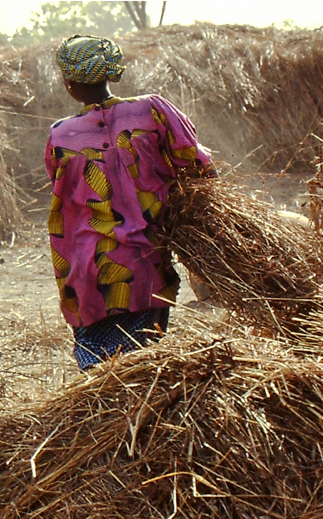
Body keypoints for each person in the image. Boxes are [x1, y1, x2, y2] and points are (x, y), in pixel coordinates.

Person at [44, 35, 213, 370]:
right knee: (142, 367)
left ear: (68, 82)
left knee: (100, 374)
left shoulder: (61, 135)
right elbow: (199, 167)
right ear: (109, 72)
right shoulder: (152, 110)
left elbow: (61, 190)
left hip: (85, 270)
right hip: (144, 261)